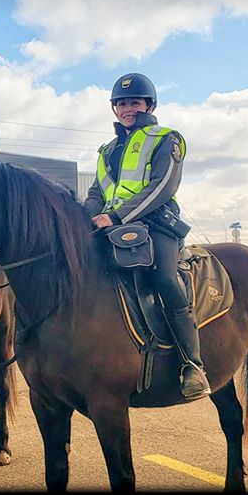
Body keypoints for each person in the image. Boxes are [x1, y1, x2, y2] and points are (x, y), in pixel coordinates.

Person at [83, 73, 211, 400]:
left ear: (149, 105)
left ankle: (192, 365)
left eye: (134, 102)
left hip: (156, 224)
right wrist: (83, 219)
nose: (128, 108)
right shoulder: (106, 149)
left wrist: (116, 215)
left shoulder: (167, 138)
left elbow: (163, 186)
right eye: (122, 103)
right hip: (111, 227)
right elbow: (97, 192)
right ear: (114, 108)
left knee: (165, 279)